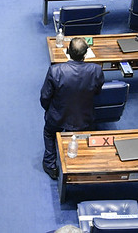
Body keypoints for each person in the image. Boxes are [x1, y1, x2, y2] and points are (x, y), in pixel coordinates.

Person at [39, 37, 105, 180]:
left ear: (68, 51)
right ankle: (80, 166)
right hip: (84, 117)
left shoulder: (55, 71)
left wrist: (49, 110)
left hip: (58, 116)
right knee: (80, 137)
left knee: (49, 133)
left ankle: (51, 165)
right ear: (85, 54)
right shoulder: (96, 70)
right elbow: (97, 92)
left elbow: (45, 96)